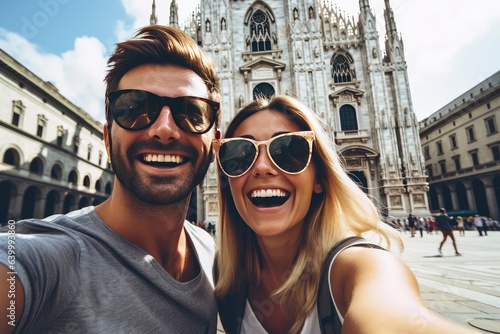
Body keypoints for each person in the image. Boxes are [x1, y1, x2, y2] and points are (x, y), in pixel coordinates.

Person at [0, 25, 221, 333]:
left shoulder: (209, 251)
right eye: (134, 109)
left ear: (215, 144)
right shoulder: (49, 258)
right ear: (106, 138)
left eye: (191, 113)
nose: (164, 129)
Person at [213, 96, 476, 334]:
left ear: (320, 178)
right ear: (226, 179)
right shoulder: (227, 280)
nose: (261, 167)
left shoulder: (360, 267)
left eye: (289, 151)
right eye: (239, 154)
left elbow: (394, 317)